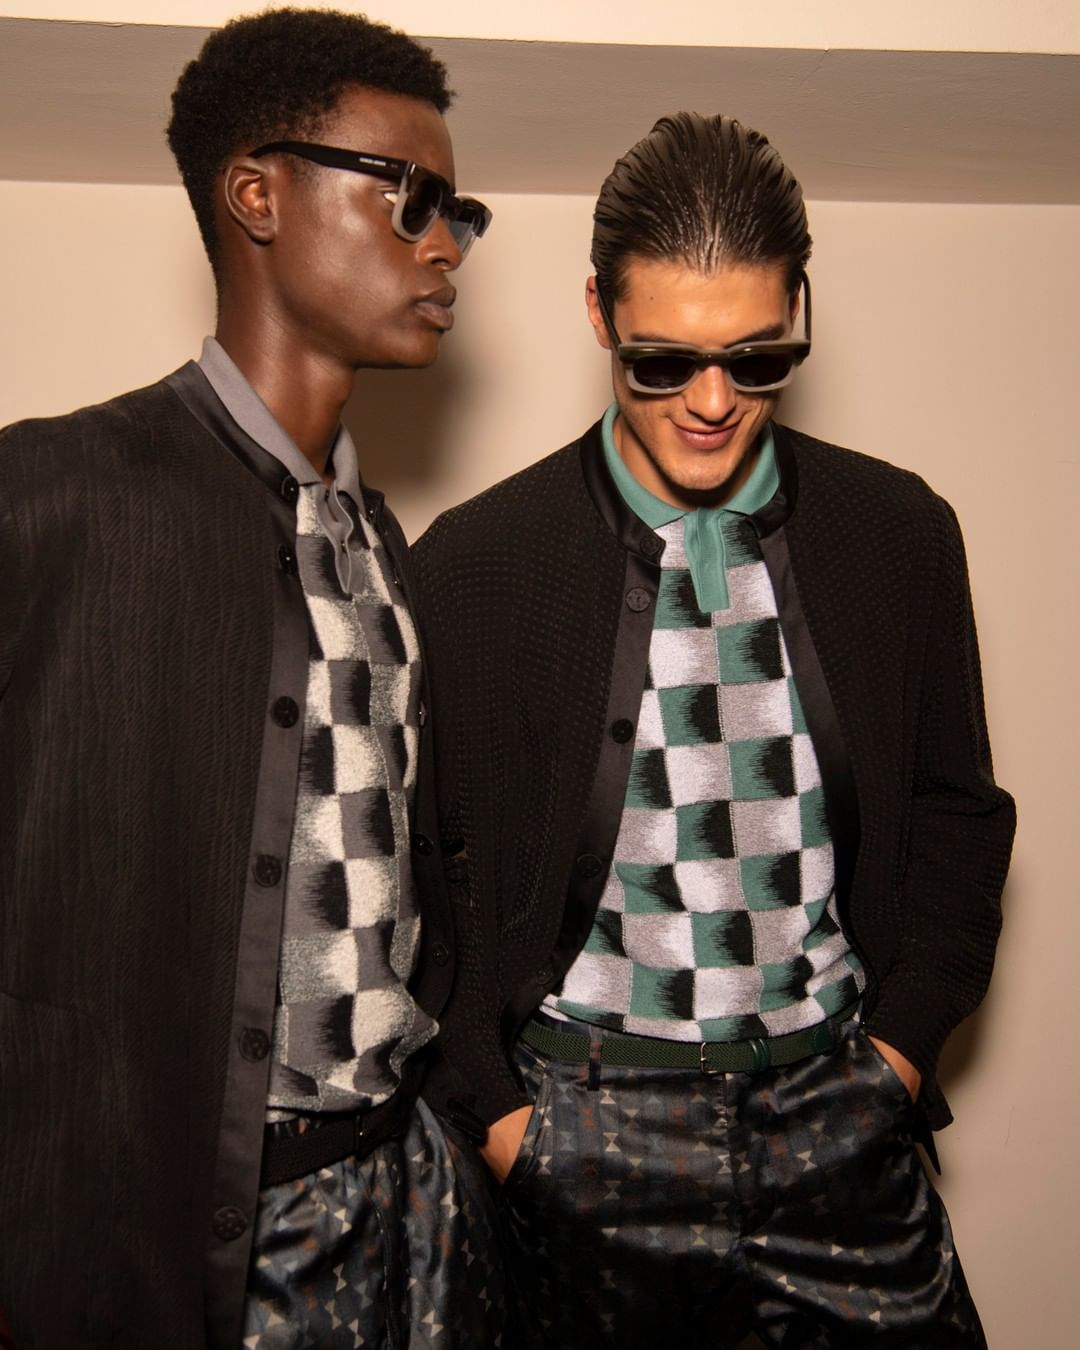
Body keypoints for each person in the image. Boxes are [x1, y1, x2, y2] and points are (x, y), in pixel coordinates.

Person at [411, 112, 1016, 1347]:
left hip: (840, 1113)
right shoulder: (476, 563)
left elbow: (959, 814)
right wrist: (506, 1124)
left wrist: (898, 1057)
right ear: (597, 312)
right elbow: (431, 879)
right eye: (662, 362)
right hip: (580, 1132)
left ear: (802, 308)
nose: (709, 401)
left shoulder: (900, 534)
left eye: (756, 357)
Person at [0, 8, 503, 1348]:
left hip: (406, 1211)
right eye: (409, 197)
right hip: (165, 1241)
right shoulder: (49, 495)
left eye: (459, 213)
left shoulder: (382, 543)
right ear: (257, 195)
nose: (446, 245)